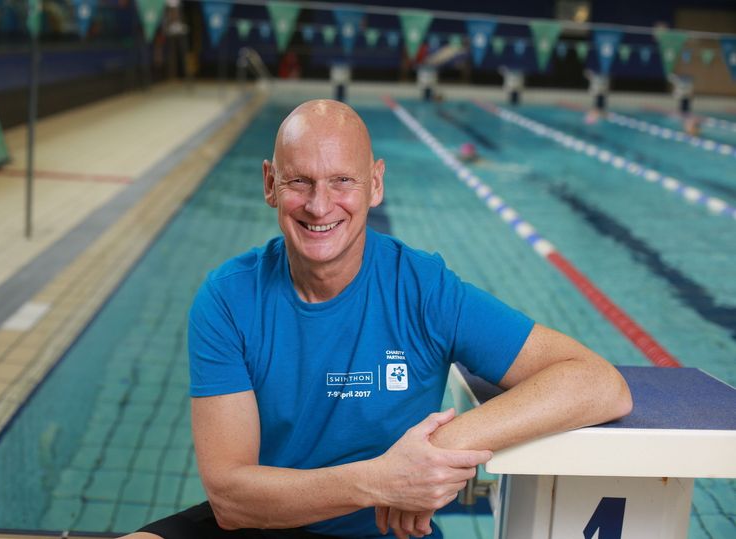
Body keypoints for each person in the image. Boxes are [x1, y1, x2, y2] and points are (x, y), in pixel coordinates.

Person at [125, 100, 632, 539]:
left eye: (342, 180)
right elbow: (232, 501)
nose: (320, 205)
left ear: (375, 184)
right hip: (266, 526)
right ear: (269, 185)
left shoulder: (422, 288)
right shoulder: (229, 298)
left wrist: (437, 451)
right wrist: (384, 480)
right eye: (299, 181)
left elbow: (598, 384)